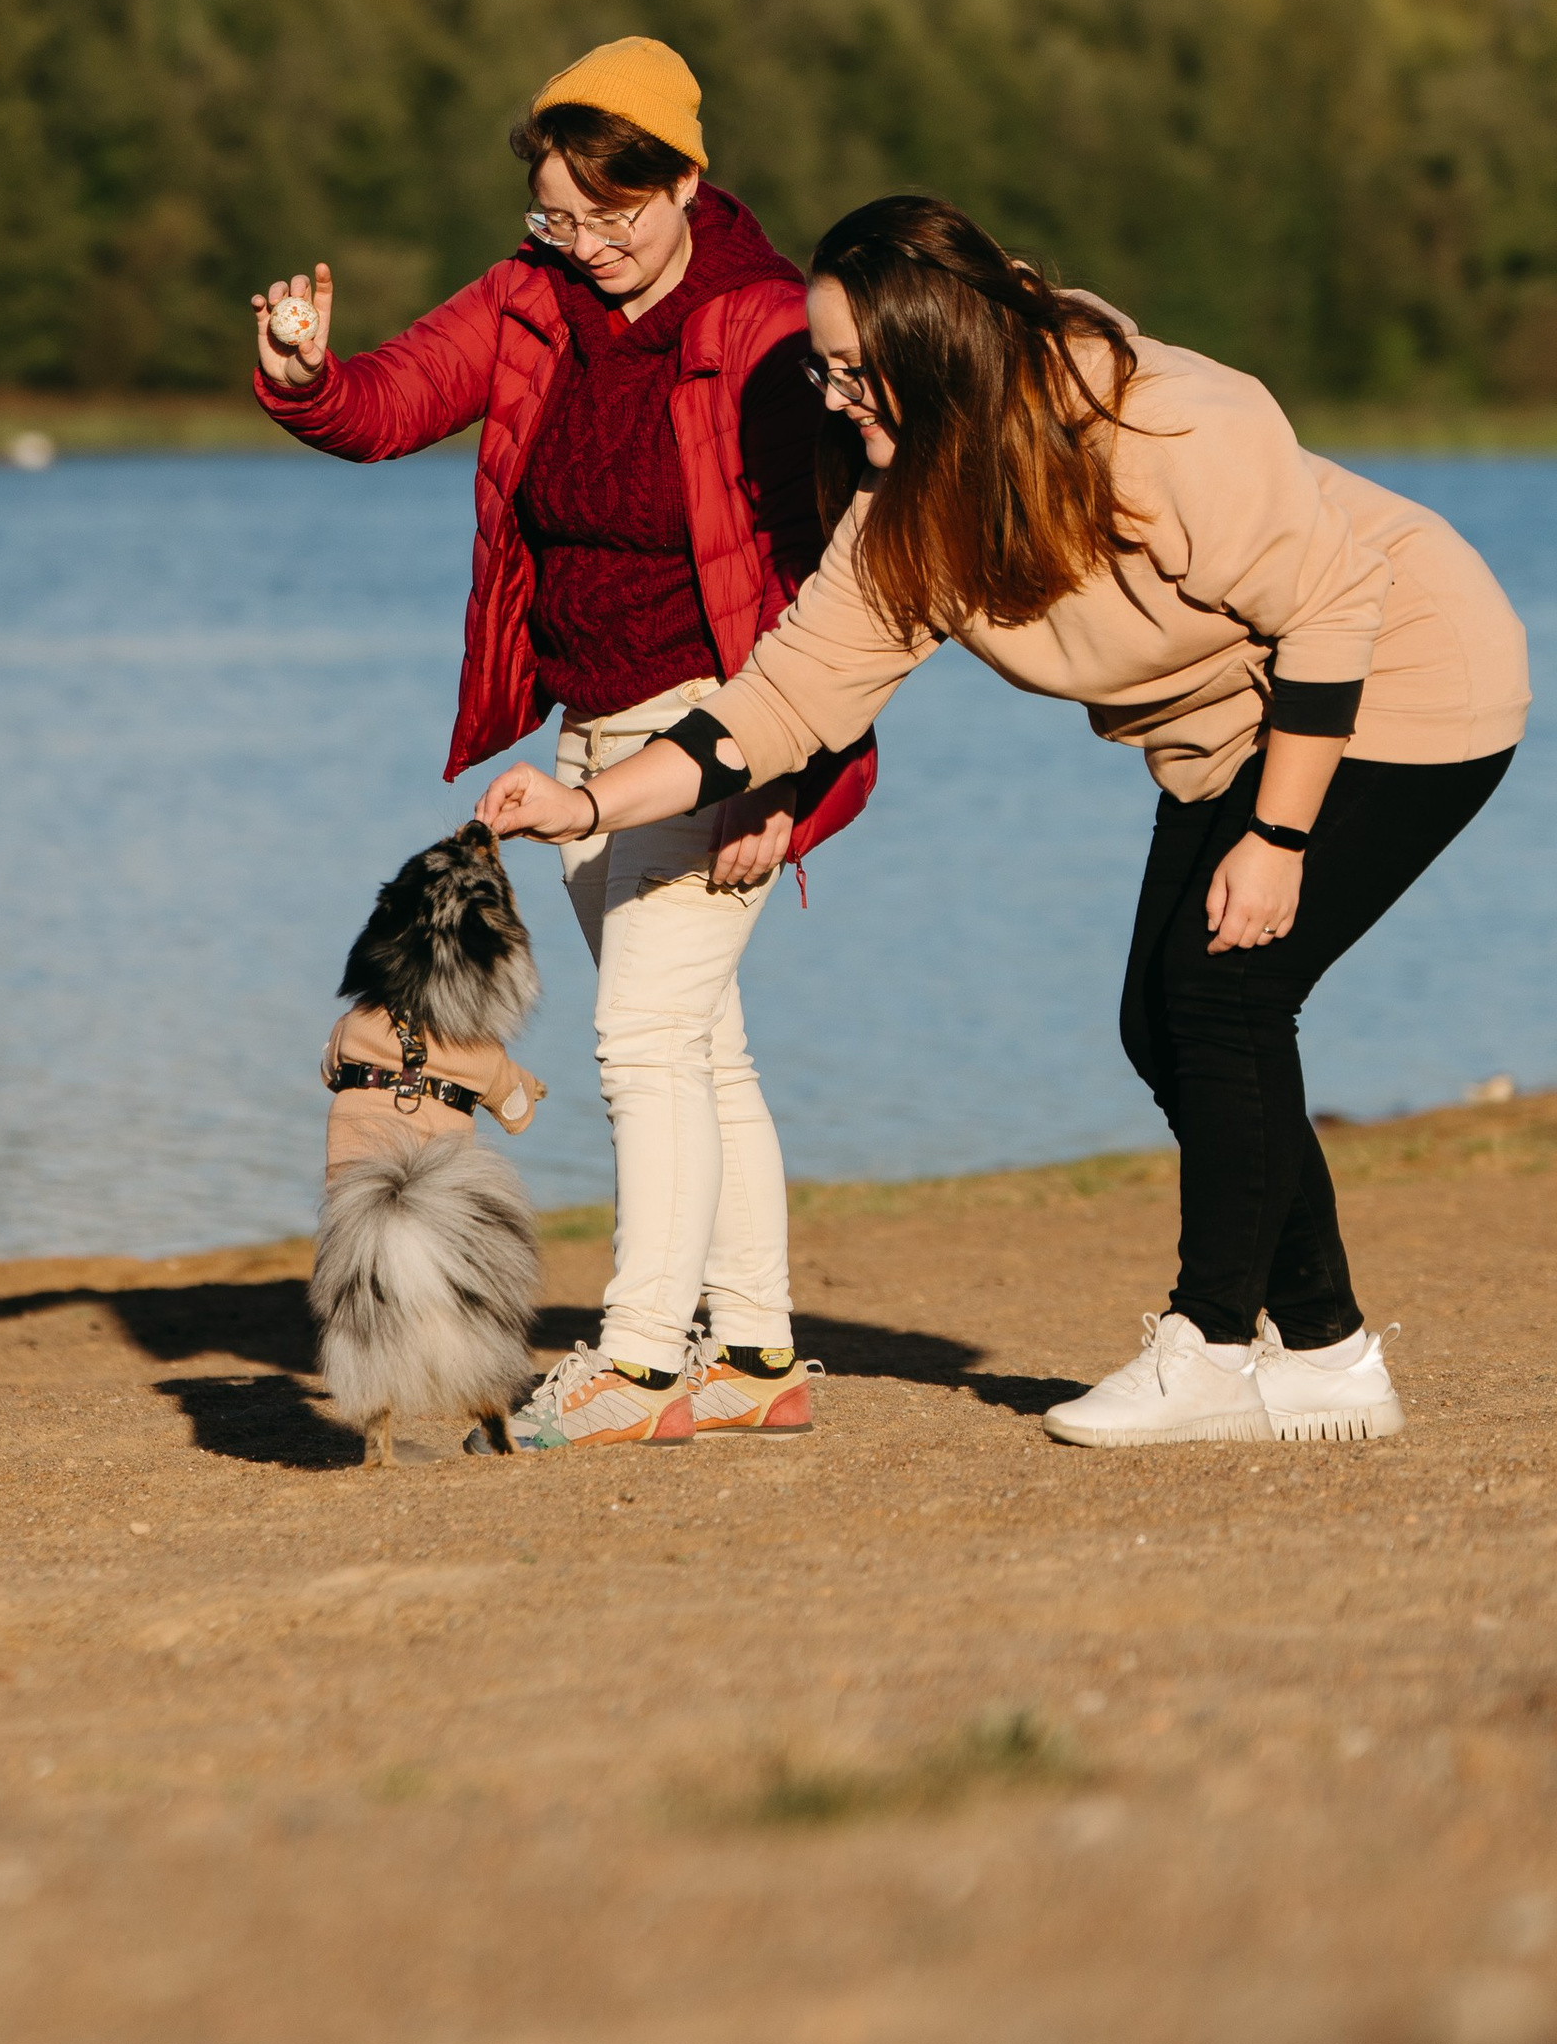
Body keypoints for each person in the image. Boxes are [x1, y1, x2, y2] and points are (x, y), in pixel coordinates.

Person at [478, 193, 1530, 1449]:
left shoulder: (1159, 419)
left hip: (1405, 674)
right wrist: (587, 800)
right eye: (821, 368)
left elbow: (1331, 606)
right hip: (1228, 732)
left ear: (937, 352)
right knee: (1162, 1022)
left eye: (855, 370)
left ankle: (1206, 1344)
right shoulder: (909, 510)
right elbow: (780, 702)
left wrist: (1280, 840)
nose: (831, 396)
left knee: (1223, 994)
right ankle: (1325, 1353)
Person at [253, 37, 874, 1453]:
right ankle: (759, 1347)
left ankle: (644, 1356)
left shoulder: (770, 323)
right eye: (559, 216)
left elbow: (854, 582)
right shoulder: (533, 297)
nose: (587, 245)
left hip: (728, 723)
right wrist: (305, 376)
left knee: (644, 1039)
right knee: (702, 1049)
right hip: (595, 730)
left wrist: (800, 776)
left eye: (616, 215)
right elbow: (390, 401)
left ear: (687, 180)